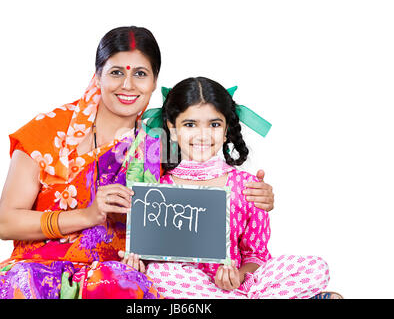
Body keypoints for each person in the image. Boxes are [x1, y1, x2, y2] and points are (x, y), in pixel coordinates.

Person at [0, 26, 275, 299]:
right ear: (98, 75)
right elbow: (6, 223)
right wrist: (88, 215)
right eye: (116, 72)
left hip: (119, 278)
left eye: (140, 74)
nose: (128, 85)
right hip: (36, 270)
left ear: (155, 81)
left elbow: (201, 188)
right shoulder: (48, 132)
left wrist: (254, 194)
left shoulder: (159, 141)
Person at [137, 76, 342, 299]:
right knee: (159, 273)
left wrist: (239, 275)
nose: (203, 134)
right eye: (190, 124)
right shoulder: (157, 189)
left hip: (240, 287)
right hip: (187, 290)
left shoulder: (247, 186)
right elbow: (149, 255)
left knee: (315, 268)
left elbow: (256, 255)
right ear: (173, 129)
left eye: (214, 124)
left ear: (226, 130)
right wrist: (136, 259)